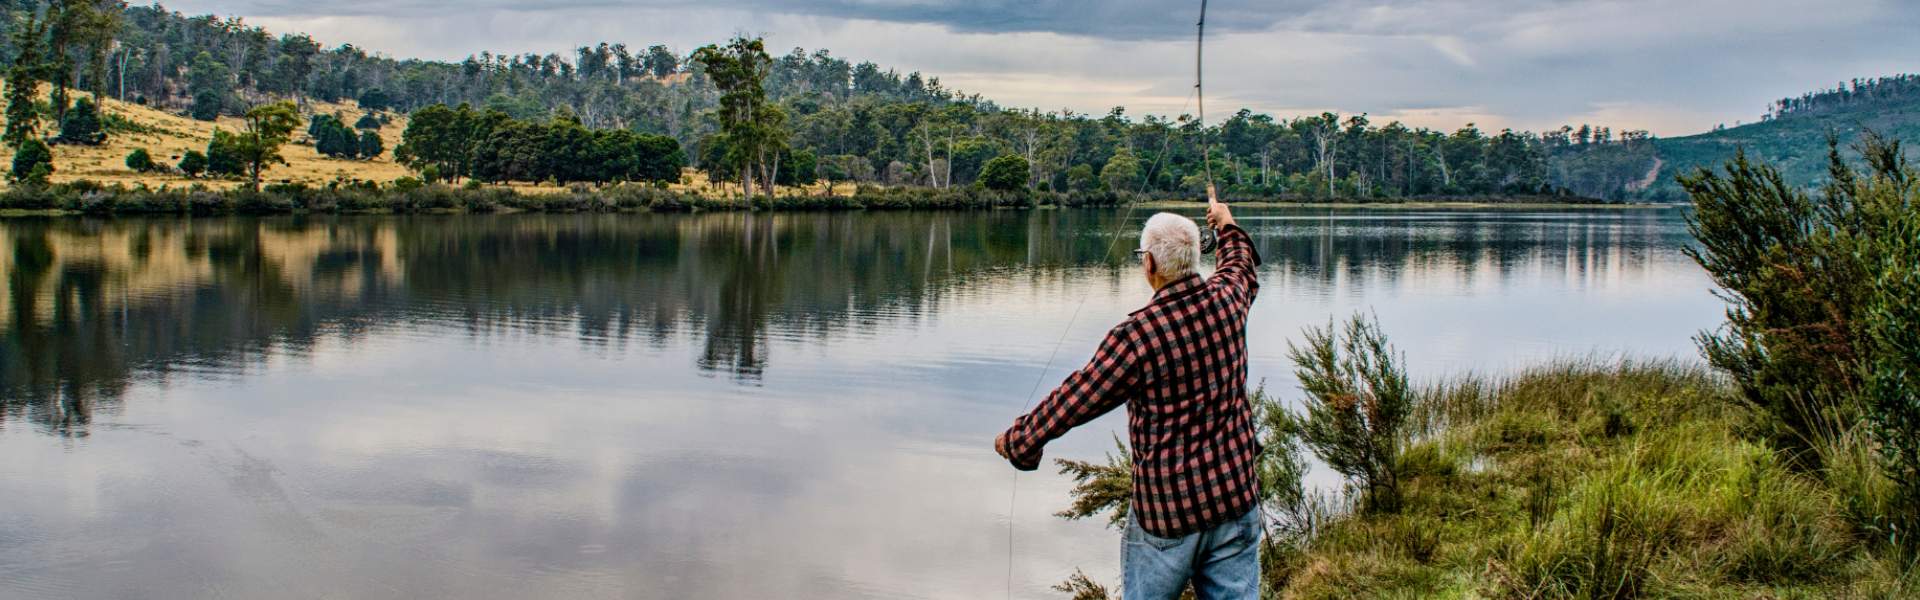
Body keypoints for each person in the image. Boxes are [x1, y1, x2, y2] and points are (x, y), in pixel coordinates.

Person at [995, 185, 1262, 599]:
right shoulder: (1228, 301)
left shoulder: (1137, 336)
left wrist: (1021, 440)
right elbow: (1240, 265)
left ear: (1151, 264)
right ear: (1194, 259)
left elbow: (1079, 396)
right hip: (1235, 499)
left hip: (1168, 515)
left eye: (1142, 258)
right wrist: (1227, 225)